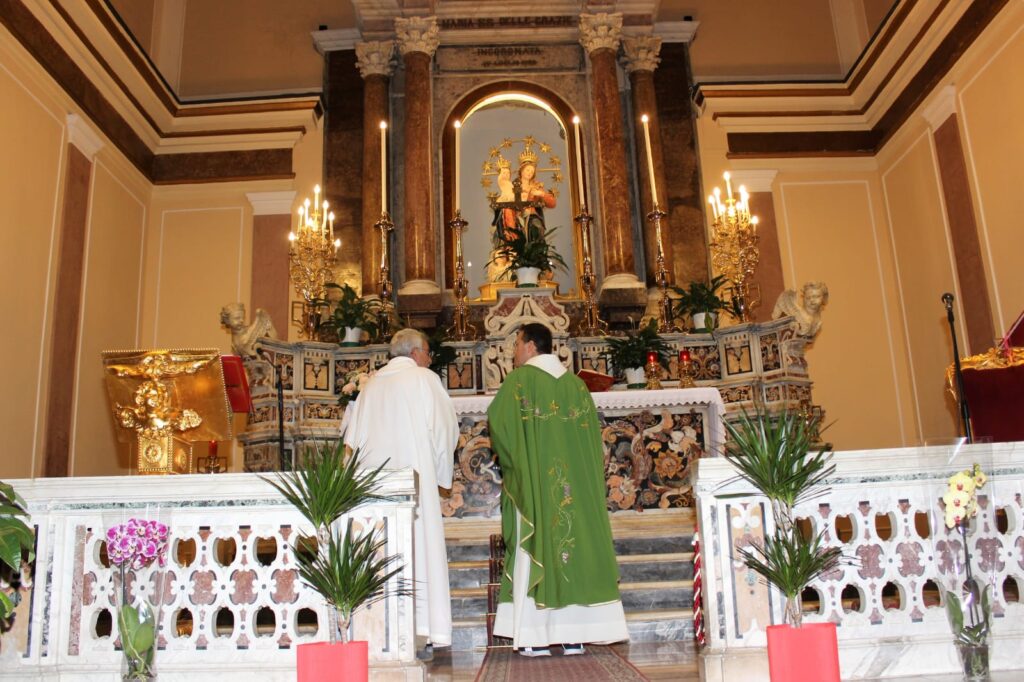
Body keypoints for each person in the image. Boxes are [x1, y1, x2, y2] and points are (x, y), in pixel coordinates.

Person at [487, 323, 628, 656]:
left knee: (537, 548)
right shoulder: (577, 386)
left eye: (517, 344)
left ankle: (535, 637)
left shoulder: (519, 382)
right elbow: (593, 444)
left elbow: (499, 424)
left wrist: (517, 471)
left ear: (532, 346)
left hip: (536, 489)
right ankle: (574, 635)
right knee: (574, 551)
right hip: (575, 490)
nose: (513, 351)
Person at [342, 328, 459, 659]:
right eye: (428, 352)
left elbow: (352, 442)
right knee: (420, 547)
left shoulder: (371, 386)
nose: (429, 358)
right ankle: (425, 627)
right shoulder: (423, 380)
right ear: (416, 353)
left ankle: (381, 629)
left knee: (382, 552)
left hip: (376, 490)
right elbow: (445, 429)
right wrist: (439, 473)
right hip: (414, 484)